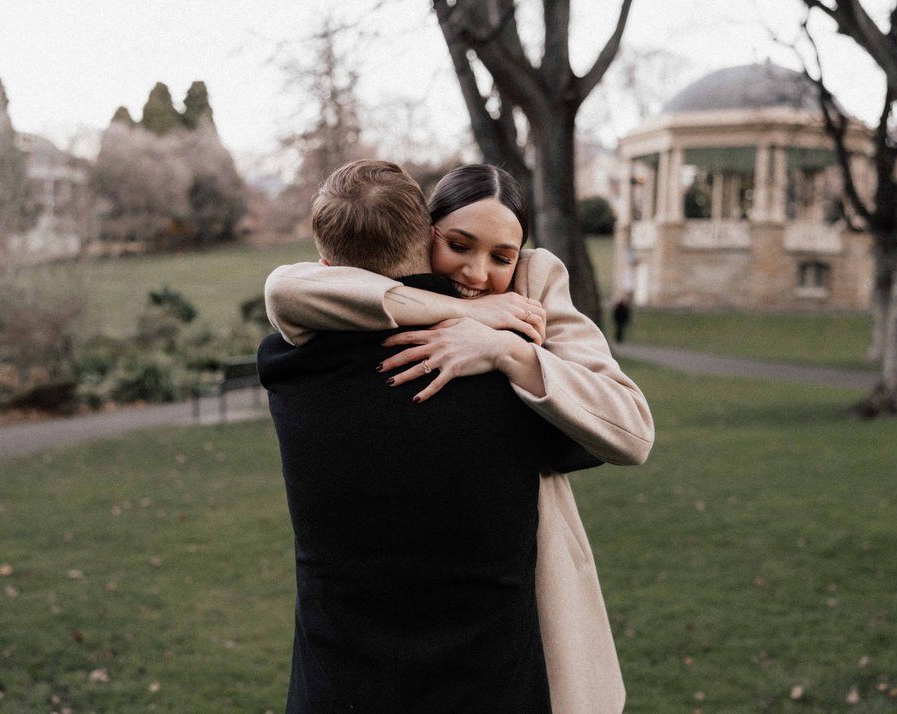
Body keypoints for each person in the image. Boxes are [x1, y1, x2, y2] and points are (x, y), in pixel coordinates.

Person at [265, 163, 654, 714]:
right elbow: (284, 286)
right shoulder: (340, 303)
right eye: (458, 245)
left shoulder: (533, 296)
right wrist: (465, 311)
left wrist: (509, 350)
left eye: (503, 257)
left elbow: (630, 431)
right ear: (424, 237)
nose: (477, 272)